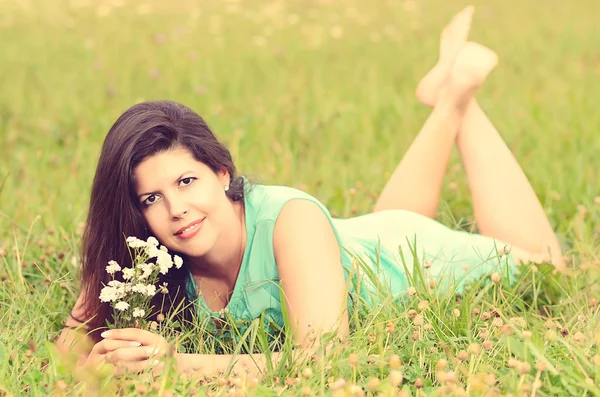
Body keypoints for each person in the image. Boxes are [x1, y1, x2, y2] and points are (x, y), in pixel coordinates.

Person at [56, 6, 565, 377]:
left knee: (546, 264)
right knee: (388, 227)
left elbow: (324, 359)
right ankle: (445, 96)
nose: (176, 210)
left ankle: (459, 97)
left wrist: (173, 364)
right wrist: (94, 368)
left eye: (186, 181)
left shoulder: (290, 219)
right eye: (151, 198)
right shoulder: (143, 249)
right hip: (357, 242)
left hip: (414, 263)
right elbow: (69, 348)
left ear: (223, 173)